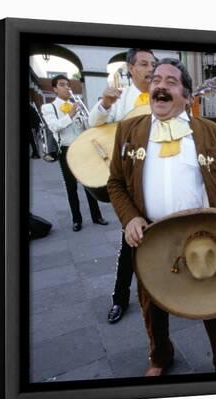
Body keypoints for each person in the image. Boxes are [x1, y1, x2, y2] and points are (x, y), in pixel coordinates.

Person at [107, 58, 216, 376]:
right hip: (150, 235)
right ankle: (161, 357)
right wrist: (130, 219)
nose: (161, 86)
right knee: (152, 303)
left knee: (213, 302)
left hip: (201, 234)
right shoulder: (129, 130)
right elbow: (116, 183)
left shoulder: (210, 131)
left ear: (187, 95)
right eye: (156, 80)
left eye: (171, 81)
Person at [88, 48, 157, 324]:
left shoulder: (163, 94)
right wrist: (104, 103)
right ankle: (119, 298)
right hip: (129, 181)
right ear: (131, 68)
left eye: (153, 63)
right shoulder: (122, 98)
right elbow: (95, 122)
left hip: (156, 176)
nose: (150, 68)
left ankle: (167, 295)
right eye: (143, 64)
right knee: (130, 241)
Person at [41, 75, 108, 232]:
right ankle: (76, 219)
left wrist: (86, 120)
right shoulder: (48, 108)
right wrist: (70, 115)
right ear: (55, 89)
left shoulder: (75, 105)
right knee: (71, 187)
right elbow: (54, 127)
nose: (67, 88)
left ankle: (96, 216)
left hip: (82, 148)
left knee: (89, 183)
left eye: (68, 85)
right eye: (63, 85)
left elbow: (85, 127)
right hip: (65, 150)